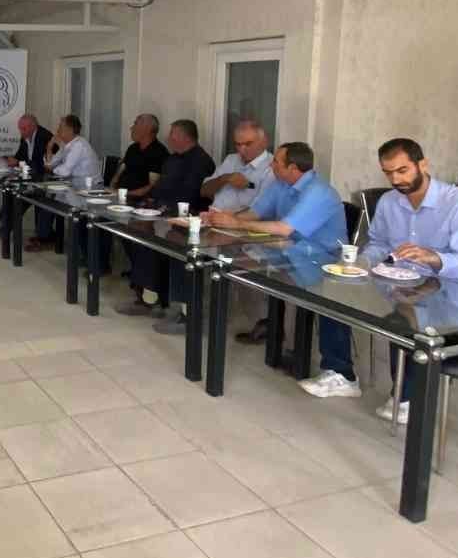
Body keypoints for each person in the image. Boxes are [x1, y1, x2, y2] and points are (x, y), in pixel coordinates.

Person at [307, 137, 458, 421]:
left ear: (422, 164)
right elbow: (379, 244)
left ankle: (407, 396)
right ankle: (340, 373)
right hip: (398, 279)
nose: (396, 180)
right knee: (335, 292)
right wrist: (362, 263)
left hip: (446, 289)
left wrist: (433, 257)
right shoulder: (390, 201)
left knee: (405, 312)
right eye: (388, 173)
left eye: (402, 170)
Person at [205, 142, 354, 388]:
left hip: (325, 260)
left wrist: (237, 224)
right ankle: (274, 338)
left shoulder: (319, 191)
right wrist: (222, 220)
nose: (271, 164)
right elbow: (255, 213)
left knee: (301, 292)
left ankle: (322, 363)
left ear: (292, 168)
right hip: (290, 252)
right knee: (245, 271)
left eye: (276, 162)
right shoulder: (281, 184)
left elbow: (284, 228)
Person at [116, 119, 217, 319]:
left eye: (172, 134)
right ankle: (148, 295)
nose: (168, 138)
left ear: (183, 137)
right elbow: (160, 185)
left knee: (154, 242)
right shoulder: (172, 159)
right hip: (160, 211)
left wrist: (163, 208)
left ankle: (166, 304)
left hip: (186, 218)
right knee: (134, 234)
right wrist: (150, 202)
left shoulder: (201, 160)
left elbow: (190, 194)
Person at [203, 120, 277, 343]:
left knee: (242, 266)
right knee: (185, 252)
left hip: (243, 231)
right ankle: (196, 312)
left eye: (248, 144)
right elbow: (204, 190)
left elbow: (262, 211)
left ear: (264, 142)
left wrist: (229, 221)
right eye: (238, 144)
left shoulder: (272, 168)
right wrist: (225, 178)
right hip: (213, 222)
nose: (242, 149)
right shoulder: (231, 160)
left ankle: (260, 322)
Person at [27, 114, 103, 251]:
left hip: (89, 189)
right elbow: (50, 165)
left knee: (51, 200)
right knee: (46, 200)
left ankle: (47, 238)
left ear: (70, 129)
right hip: (74, 187)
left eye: (60, 127)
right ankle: (45, 237)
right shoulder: (67, 146)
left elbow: (64, 171)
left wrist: (53, 168)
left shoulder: (79, 145)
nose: (57, 130)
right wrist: (49, 147)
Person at [111, 114, 170, 201]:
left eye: (135, 124)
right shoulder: (132, 148)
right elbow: (119, 173)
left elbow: (152, 188)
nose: (131, 128)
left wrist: (122, 193)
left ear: (147, 129)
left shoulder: (159, 153)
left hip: (138, 201)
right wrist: (111, 189)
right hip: (119, 196)